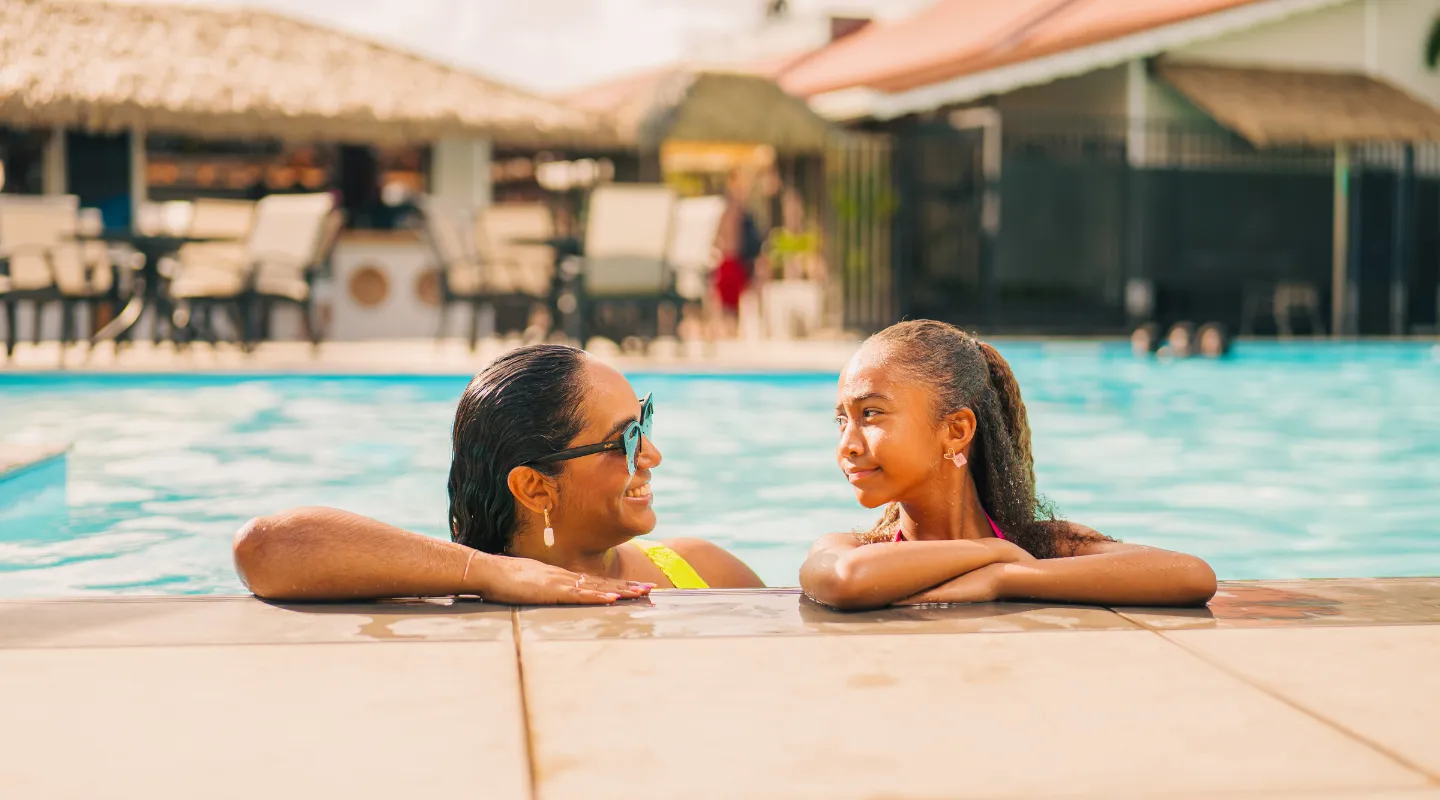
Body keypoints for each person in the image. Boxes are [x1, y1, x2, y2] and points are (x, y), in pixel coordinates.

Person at [233, 345, 764, 602]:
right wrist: (491, 573)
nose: (651, 454)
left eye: (643, 422)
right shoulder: (439, 590)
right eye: (624, 439)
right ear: (535, 487)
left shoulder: (702, 569)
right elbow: (263, 548)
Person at [801, 320, 1216, 610]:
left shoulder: (1041, 547)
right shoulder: (855, 549)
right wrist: (992, 551)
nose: (846, 445)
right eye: (842, 420)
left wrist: (1005, 578)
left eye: (870, 414)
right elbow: (843, 579)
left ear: (957, 430)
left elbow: (1191, 575)